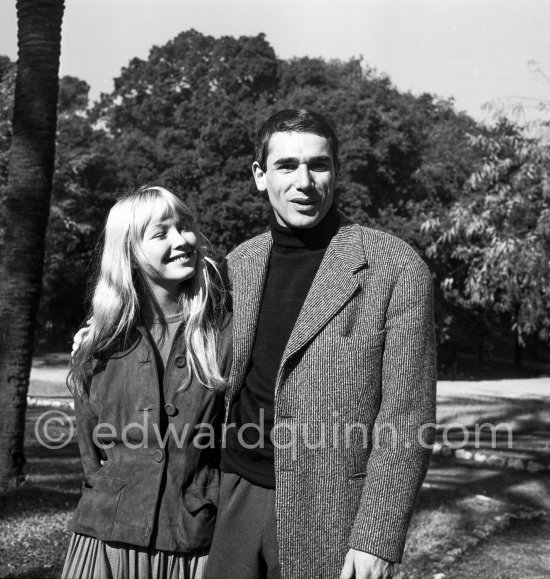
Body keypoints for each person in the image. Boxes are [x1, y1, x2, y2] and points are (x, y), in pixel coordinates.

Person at [204, 109, 437, 579]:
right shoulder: (237, 265)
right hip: (234, 494)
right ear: (259, 176)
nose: (304, 181)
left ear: (336, 171)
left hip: (333, 509)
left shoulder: (395, 267)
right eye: (286, 165)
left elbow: (407, 415)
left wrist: (376, 536)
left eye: (319, 165)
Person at [63, 186, 231, 579]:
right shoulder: (99, 344)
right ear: (130, 253)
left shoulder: (225, 334)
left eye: (185, 226)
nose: (182, 240)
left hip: (192, 541)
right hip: (106, 542)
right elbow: (91, 455)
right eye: (161, 233)